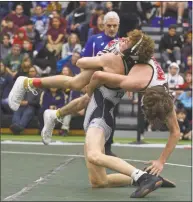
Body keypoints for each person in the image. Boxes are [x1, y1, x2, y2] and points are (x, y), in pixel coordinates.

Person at [8, 30, 177, 197]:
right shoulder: (128, 74)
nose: (123, 39)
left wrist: (161, 161)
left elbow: (175, 131)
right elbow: (95, 73)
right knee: (76, 84)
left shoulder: (161, 96)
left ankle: (144, 176)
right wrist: (90, 91)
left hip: (102, 110)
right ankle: (142, 176)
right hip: (103, 102)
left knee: (99, 181)